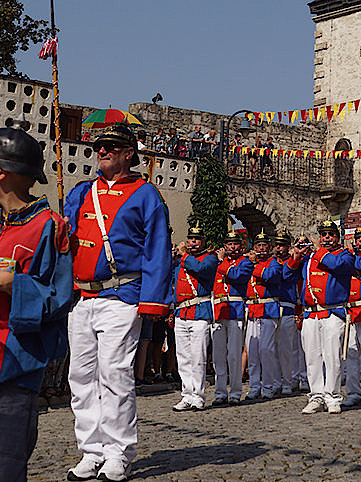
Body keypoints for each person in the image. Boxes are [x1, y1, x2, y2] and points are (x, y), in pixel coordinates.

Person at [65, 124, 172, 481]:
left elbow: (158, 252)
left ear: (129, 153)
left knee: (115, 375)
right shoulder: (81, 192)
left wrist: (151, 302)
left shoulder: (146, 195)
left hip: (121, 295)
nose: (102, 151)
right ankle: (90, 450)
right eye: (99, 146)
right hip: (83, 296)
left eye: (111, 146)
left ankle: (118, 452)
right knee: (80, 377)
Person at [0, 125, 73, 480]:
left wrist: (15, 284)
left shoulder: (50, 227)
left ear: (3, 172)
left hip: (15, 362)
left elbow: (59, 299)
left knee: (7, 461)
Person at [284, 218, 354, 414]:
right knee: (312, 357)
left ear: (337, 237)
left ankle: (332, 397)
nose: (326, 238)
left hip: (332, 311)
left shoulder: (344, 255)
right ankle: (316, 396)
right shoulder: (310, 258)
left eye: (330, 234)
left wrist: (319, 251)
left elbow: (339, 266)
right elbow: (287, 276)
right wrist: (296, 257)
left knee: (332, 357)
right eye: (323, 234)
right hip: (310, 314)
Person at [173, 222, 218, 411]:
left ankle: (198, 395)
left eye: (197, 240)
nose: (193, 243)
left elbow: (200, 270)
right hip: (181, 312)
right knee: (182, 357)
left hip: (200, 312)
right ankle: (187, 394)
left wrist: (183, 255)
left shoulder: (210, 259)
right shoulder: (181, 261)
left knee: (198, 356)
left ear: (204, 242)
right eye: (191, 239)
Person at [211, 230, 255, 406]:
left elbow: (237, 276)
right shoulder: (218, 263)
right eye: (229, 244)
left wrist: (221, 262)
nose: (232, 247)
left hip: (236, 310)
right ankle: (220, 392)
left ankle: (235, 392)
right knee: (218, 355)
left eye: (235, 244)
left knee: (234, 354)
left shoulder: (245, 262)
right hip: (219, 310)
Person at [245, 229, 282, 400]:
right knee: (252, 351)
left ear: (269, 247)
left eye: (264, 246)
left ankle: (268, 385)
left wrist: (253, 266)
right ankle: (254, 386)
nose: (261, 249)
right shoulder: (247, 263)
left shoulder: (274, 262)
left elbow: (270, 275)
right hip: (252, 310)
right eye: (258, 245)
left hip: (268, 310)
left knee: (266, 350)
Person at [273, 231, 297, 396]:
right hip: (272, 308)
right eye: (276, 245)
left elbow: (284, 274)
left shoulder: (292, 262)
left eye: (281, 245)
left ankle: (288, 381)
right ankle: (276, 381)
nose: (278, 248)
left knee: (286, 349)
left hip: (287, 307)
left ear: (288, 248)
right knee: (272, 349)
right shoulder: (272, 262)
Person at [343, 227, 361, 407]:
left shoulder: (352, 259)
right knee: (352, 354)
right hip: (352, 311)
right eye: (358, 239)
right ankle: (354, 391)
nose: (360, 242)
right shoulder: (350, 258)